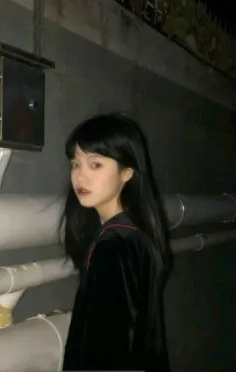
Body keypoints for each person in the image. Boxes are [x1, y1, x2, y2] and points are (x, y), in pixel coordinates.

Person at [59, 113, 171, 372]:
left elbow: (110, 351)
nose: (80, 177)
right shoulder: (134, 235)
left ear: (127, 173)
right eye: (75, 164)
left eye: (95, 165)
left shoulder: (113, 246)